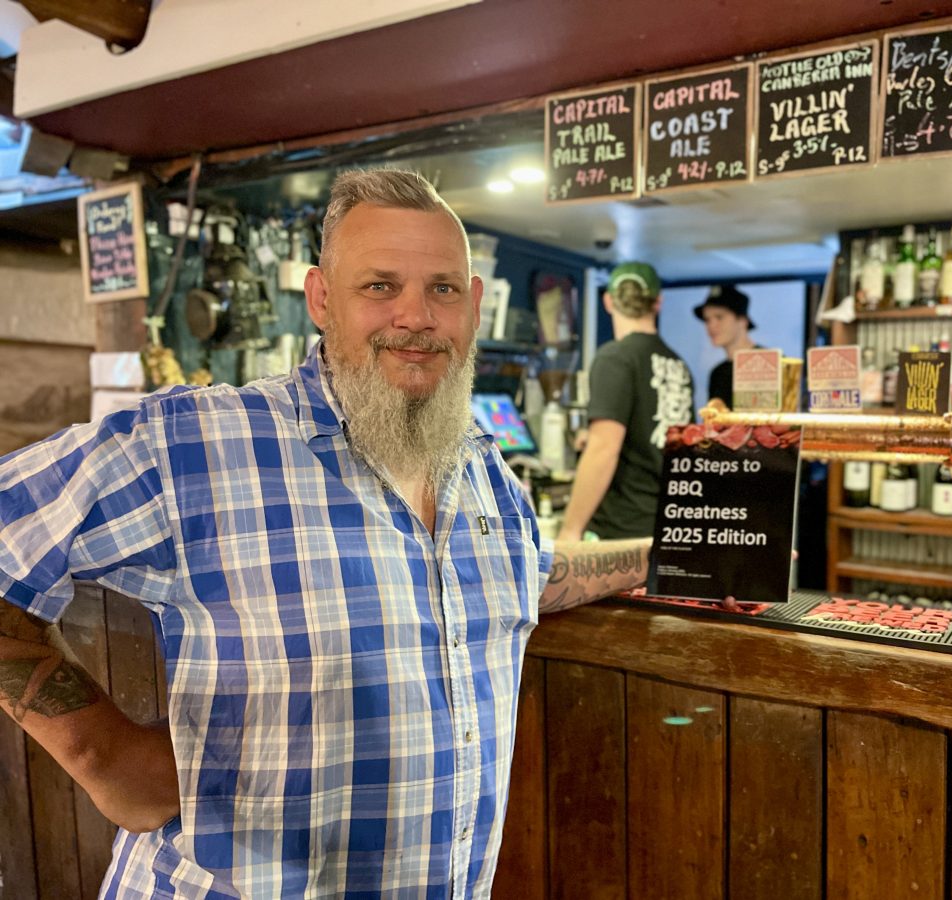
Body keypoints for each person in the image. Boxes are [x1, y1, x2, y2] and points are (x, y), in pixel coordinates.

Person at [0, 169, 660, 898]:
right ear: (321, 300)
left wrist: (669, 559)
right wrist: (101, 753)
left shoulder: (485, 473)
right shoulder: (197, 444)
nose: (415, 316)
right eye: (380, 286)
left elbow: (534, 574)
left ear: (474, 308)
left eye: (442, 288)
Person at [558, 262, 694, 542]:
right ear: (658, 302)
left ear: (608, 301)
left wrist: (570, 532)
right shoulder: (679, 365)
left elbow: (604, 449)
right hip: (669, 526)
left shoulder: (615, 358)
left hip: (622, 532)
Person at [695, 283, 756, 408]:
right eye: (707, 320)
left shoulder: (772, 363)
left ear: (743, 321)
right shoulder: (717, 373)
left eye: (719, 317)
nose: (711, 326)